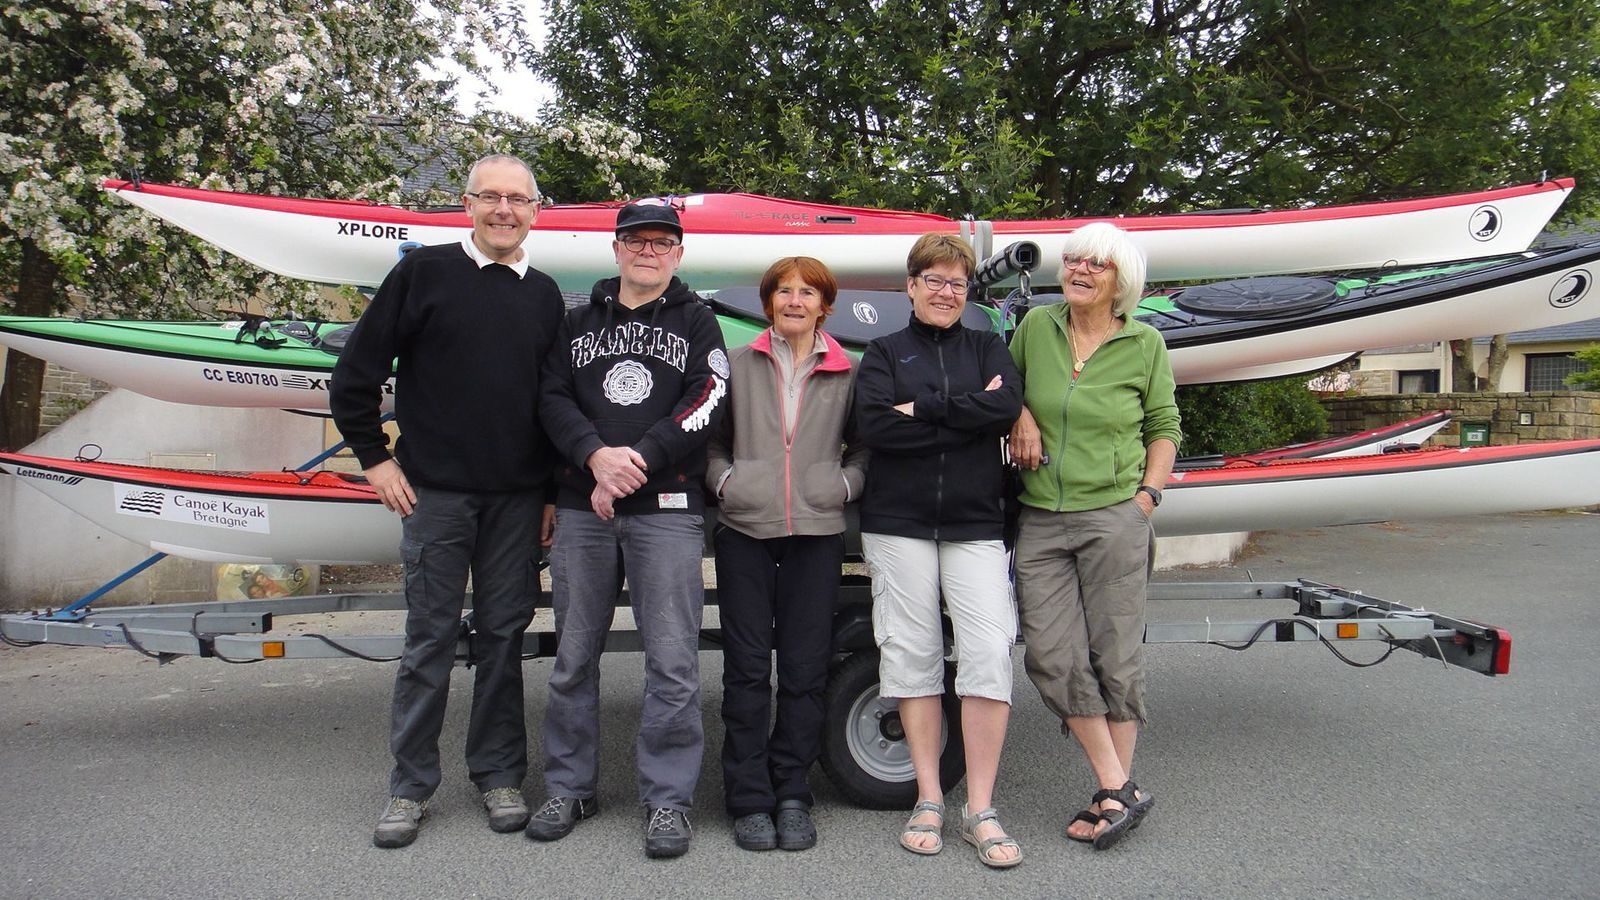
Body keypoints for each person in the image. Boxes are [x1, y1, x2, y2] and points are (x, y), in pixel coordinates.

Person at [330, 154, 563, 849]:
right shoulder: (423, 273)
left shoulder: (544, 295)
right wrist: (374, 458)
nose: (503, 210)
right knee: (428, 640)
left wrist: (552, 492)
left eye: (517, 199)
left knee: (502, 640)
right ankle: (409, 787)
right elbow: (355, 373)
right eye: (490, 196)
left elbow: (553, 403)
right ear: (467, 204)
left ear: (534, 212)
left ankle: (499, 776)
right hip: (435, 495)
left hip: (517, 501)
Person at [533, 200, 728, 859]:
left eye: (662, 242)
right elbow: (550, 398)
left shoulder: (697, 321)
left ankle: (668, 800)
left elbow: (708, 399)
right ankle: (569, 787)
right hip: (582, 506)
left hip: (666, 508)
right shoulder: (575, 322)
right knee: (573, 657)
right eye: (637, 240)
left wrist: (634, 461)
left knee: (672, 660)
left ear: (678, 254)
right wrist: (595, 456)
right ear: (616, 249)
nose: (649, 251)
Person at [1006, 221, 1181, 850]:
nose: (1079, 269)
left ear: (1120, 279)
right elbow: (1005, 388)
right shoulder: (1037, 327)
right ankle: (1120, 786)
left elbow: (1164, 426)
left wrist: (1147, 498)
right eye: (1073, 259)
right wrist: (1022, 415)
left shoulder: (1145, 343)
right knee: (1051, 654)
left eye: (1095, 263)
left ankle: (1110, 795)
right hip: (1041, 517)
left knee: (1116, 656)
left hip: (1114, 515)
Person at [854, 233, 1025, 868]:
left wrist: (922, 409)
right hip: (897, 523)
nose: (946, 292)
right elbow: (875, 426)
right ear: (911, 286)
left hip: (976, 523)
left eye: (957, 283)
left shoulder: (986, 345)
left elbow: (1005, 406)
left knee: (988, 652)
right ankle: (928, 797)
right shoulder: (883, 351)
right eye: (934, 280)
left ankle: (980, 808)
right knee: (912, 652)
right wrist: (966, 421)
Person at [705, 257, 868, 852]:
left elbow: (866, 448)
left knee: (804, 669)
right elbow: (710, 442)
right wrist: (727, 484)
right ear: (768, 302)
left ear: (825, 306)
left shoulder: (849, 369)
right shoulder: (736, 364)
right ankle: (749, 797)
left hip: (817, 532)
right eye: (783, 291)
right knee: (747, 670)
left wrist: (843, 486)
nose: (795, 301)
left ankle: (793, 791)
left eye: (807, 293)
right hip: (745, 529)